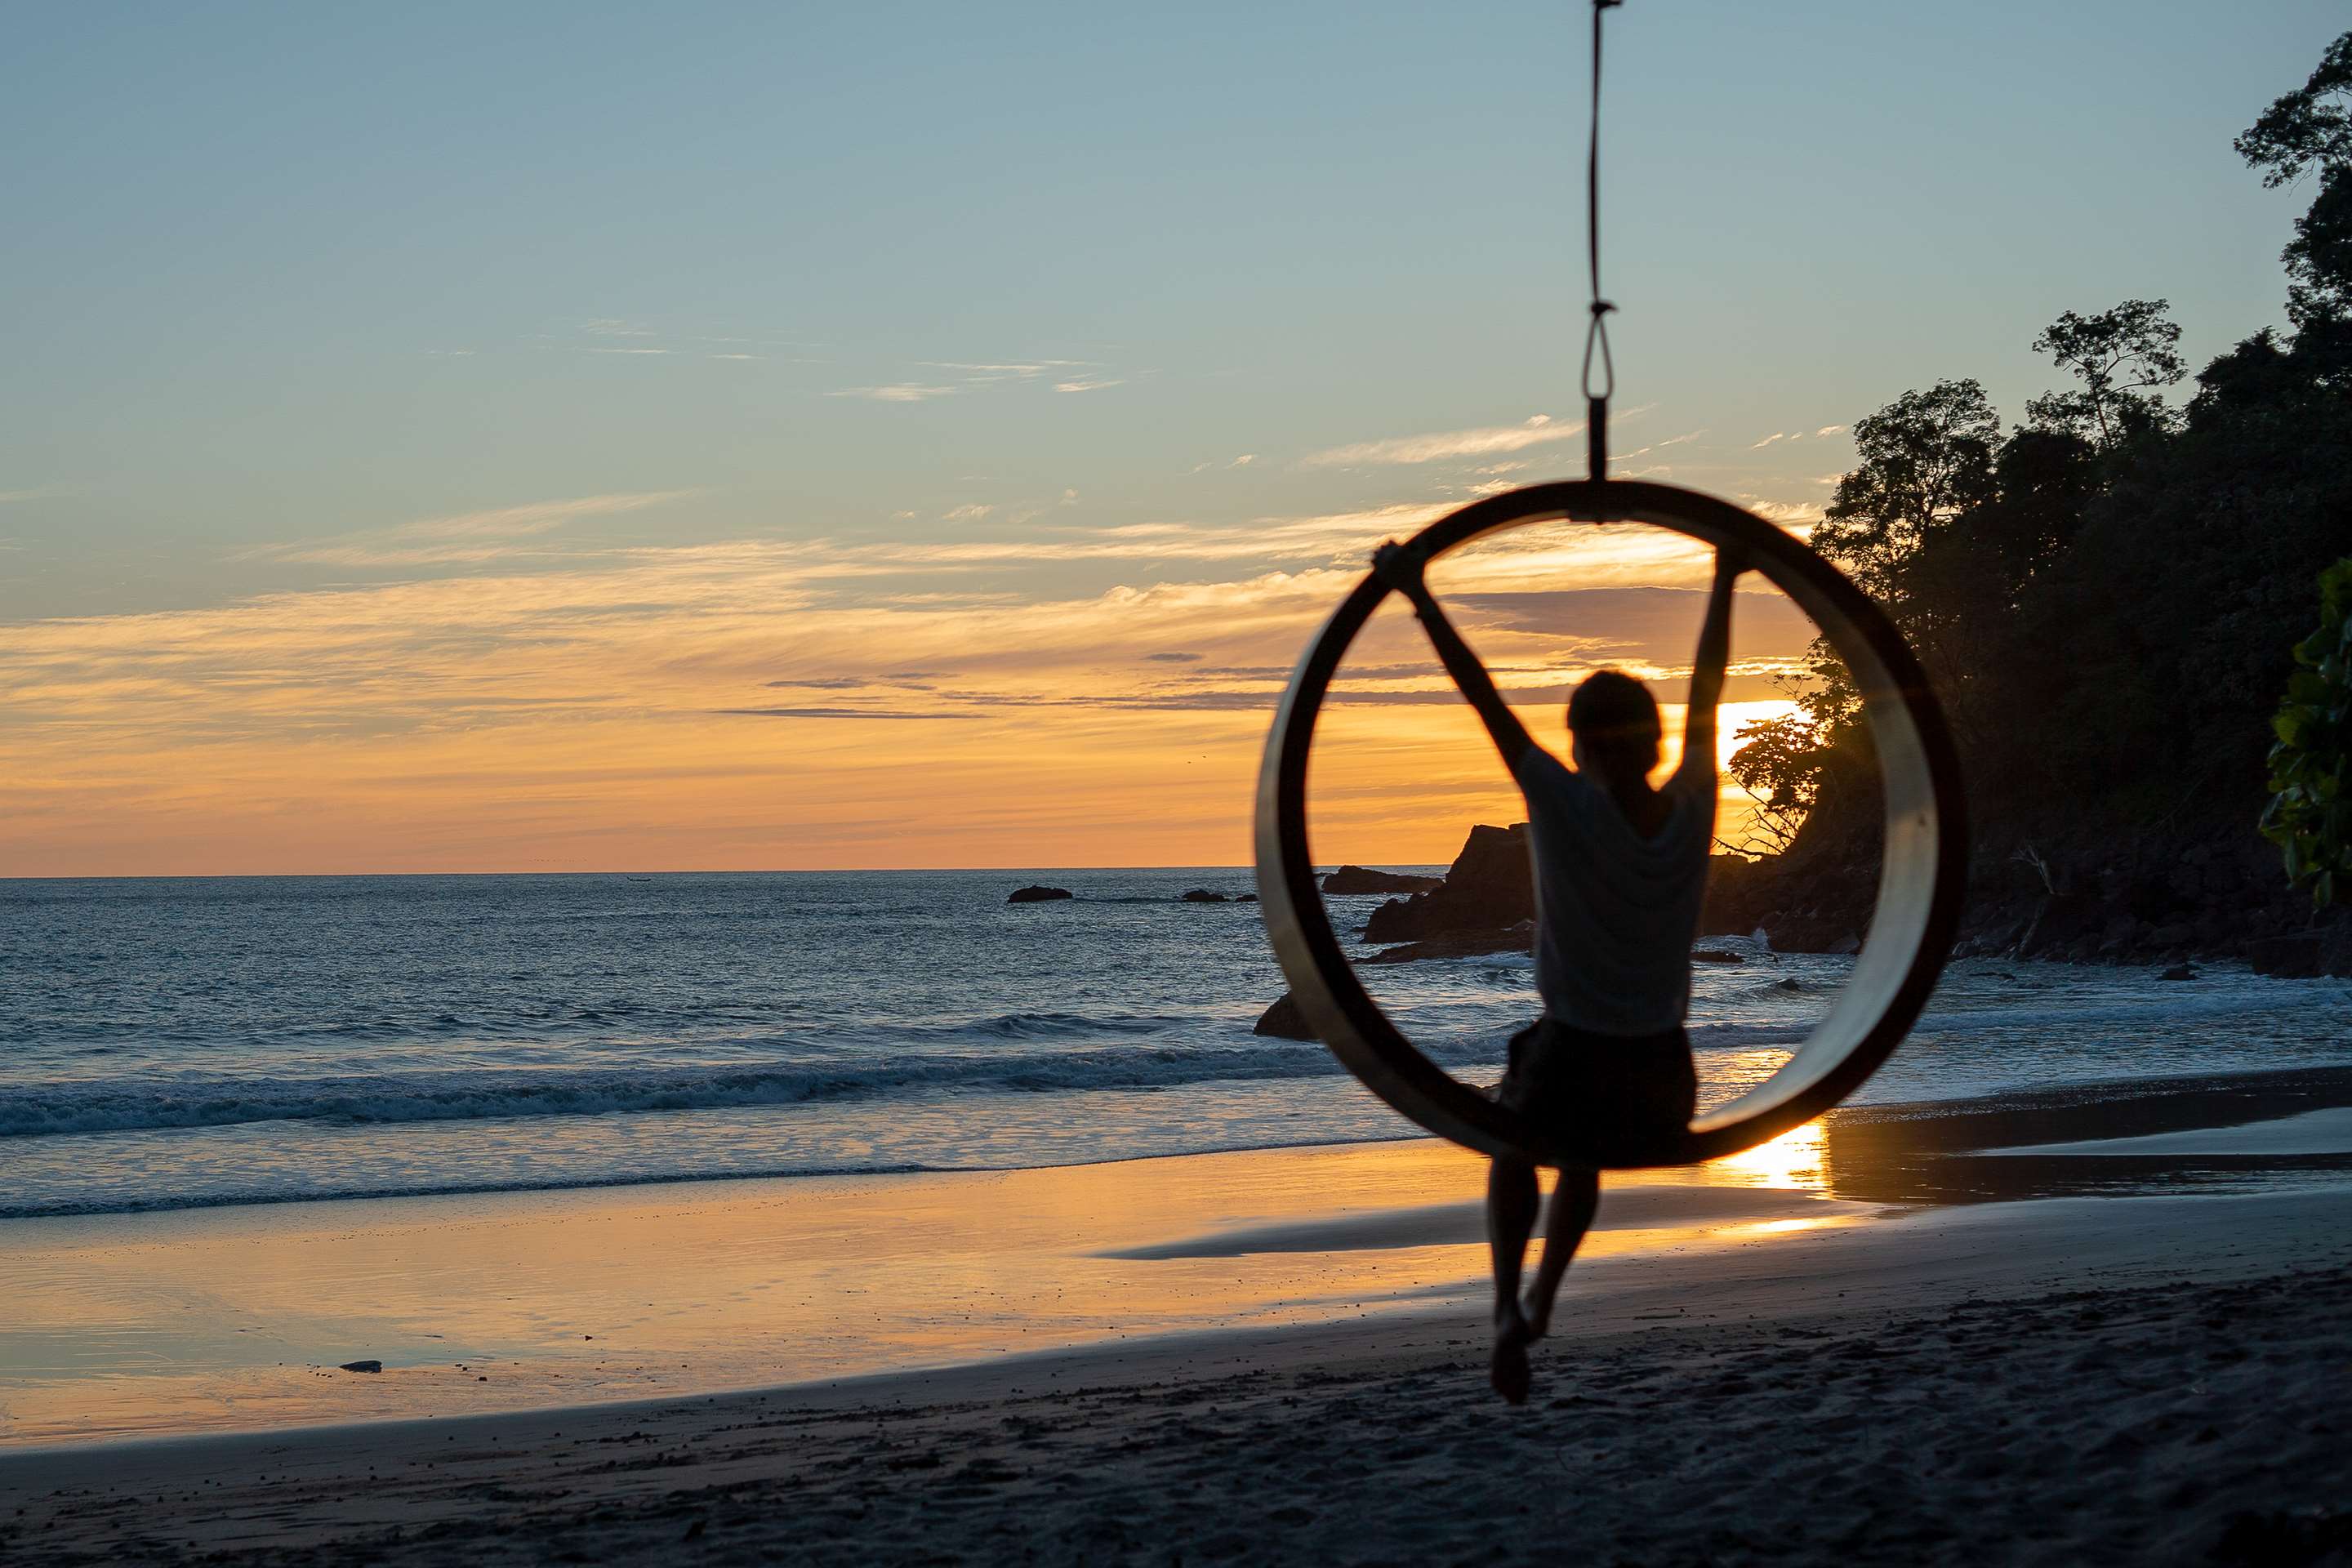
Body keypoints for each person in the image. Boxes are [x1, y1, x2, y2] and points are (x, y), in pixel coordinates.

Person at [1370, 537, 1744, 1405]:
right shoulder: (1696, 802)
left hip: (1571, 1059)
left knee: (1516, 1145)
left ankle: (1509, 1304)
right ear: (1655, 741)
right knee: (1584, 1159)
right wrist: (1727, 575)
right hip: (1664, 1079)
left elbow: (1483, 697)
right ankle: (1545, 1296)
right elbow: (1710, 686)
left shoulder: (1562, 800)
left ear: (1578, 744)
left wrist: (1416, 592)